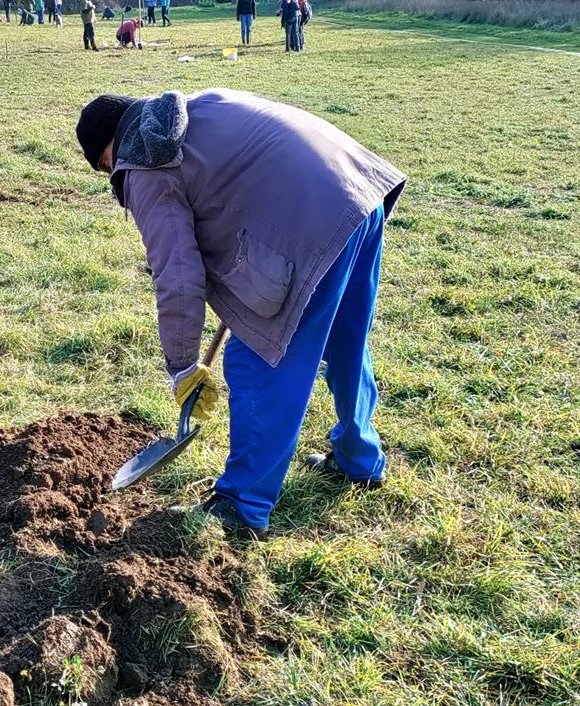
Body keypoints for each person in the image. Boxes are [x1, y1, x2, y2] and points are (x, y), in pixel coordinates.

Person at [74, 90, 406, 539]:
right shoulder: (192, 110)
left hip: (311, 220)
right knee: (344, 342)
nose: (112, 174)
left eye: (104, 166)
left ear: (109, 148)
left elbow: (176, 272)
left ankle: (242, 503)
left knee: (260, 360)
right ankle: (359, 458)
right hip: (358, 190)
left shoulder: (143, 159)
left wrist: (182, 366)